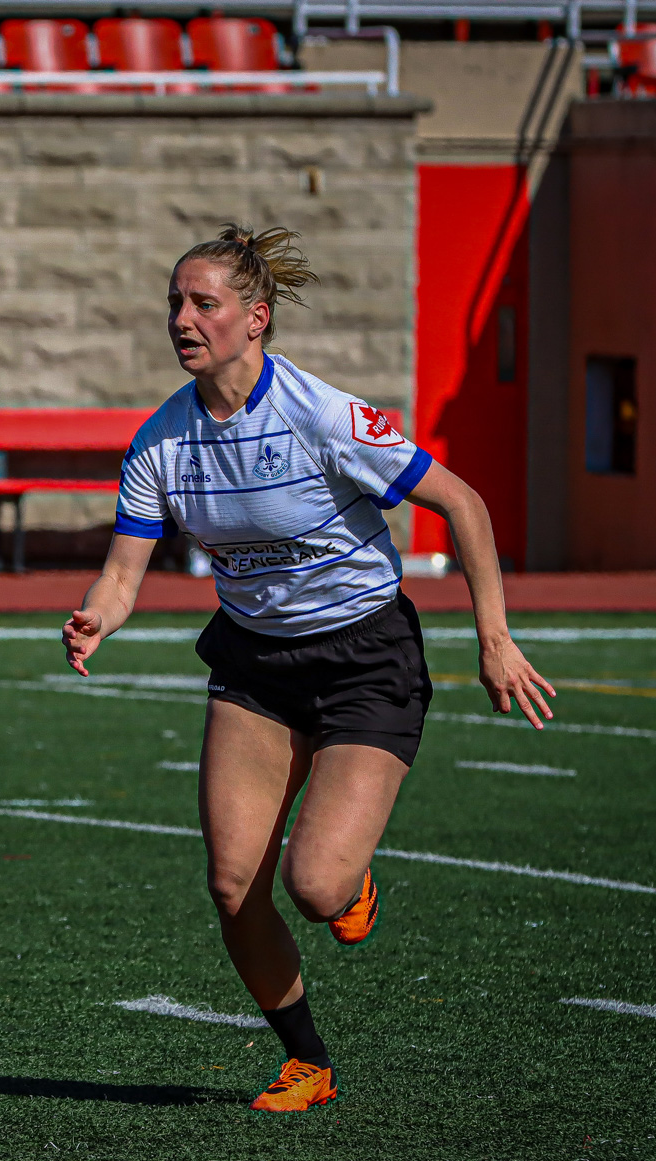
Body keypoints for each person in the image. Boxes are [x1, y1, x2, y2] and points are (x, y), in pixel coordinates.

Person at [64, 226, 555, 1113]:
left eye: (202, 304)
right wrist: (100, 615)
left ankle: (348, 875)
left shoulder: (321, 413)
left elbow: (464, 503)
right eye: (174, 302)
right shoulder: (161, 442)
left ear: (255, 319)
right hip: (255, 665)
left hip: (366, 659)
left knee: (317, 885)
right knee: (230, 884)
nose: (182, 319)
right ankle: (307, 1062)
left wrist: (495, 637)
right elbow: (124, 572)